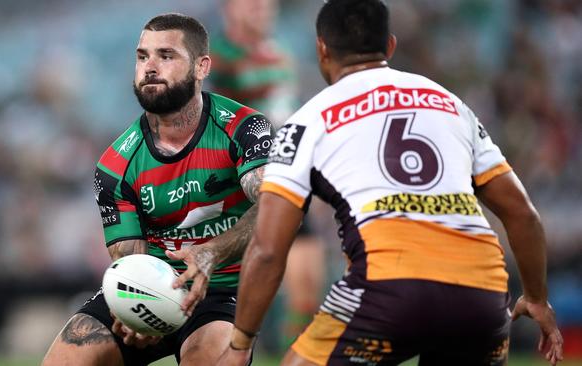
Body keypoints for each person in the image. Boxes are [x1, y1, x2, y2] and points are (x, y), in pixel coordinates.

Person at [216, 0, 565, 365]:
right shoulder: (451, 104)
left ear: (321, 48)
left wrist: (239, 344)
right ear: (391, 46)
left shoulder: (307, 121)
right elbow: (522, 213)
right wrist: (537, 298)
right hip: (480, 294)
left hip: (386, 289)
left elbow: (269, 249)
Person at [42, 13, 273, 366]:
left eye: (166, 56)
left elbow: (275, 208)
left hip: (223, 290)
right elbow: (129, 258)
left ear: (201, 67)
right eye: (142, 56)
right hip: (154, 283)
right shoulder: (115, 165)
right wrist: (134, 306)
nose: (150, 67)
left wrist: (211, 253)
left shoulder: (245, 128)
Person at [208, 0, 327, 349]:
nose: (262, 11)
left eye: (267, 5)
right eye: (253, 5)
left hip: (286, 176)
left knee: (308, 283)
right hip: (240, 182)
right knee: (227, 287)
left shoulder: (281, 53)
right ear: (231, 9)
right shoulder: (218, 57)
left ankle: (294, 353)